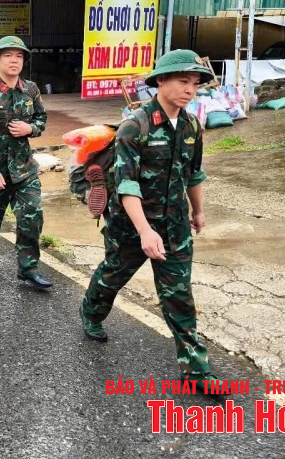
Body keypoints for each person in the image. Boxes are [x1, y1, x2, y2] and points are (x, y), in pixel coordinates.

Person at [79, 49, 220, 393]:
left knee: (178, 295)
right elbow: (126, 185)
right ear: (161, 81)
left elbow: (194, 173)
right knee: (113, 276)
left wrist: (197, 211)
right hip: (131, 226)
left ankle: (197, 371)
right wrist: (144, 231)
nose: (191, 89)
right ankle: (91, 312)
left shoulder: (191, 125)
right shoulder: (134, 126)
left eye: (195, 83)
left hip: (175, 227)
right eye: (183, 81)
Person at [0, 36, 52, 288]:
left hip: (24, 169)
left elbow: (42, 120)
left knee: (31, 215)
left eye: (19, 56)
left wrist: (31, 128)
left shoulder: (31, 90)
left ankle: (28, 268)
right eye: (8, 55)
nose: (14, 60)